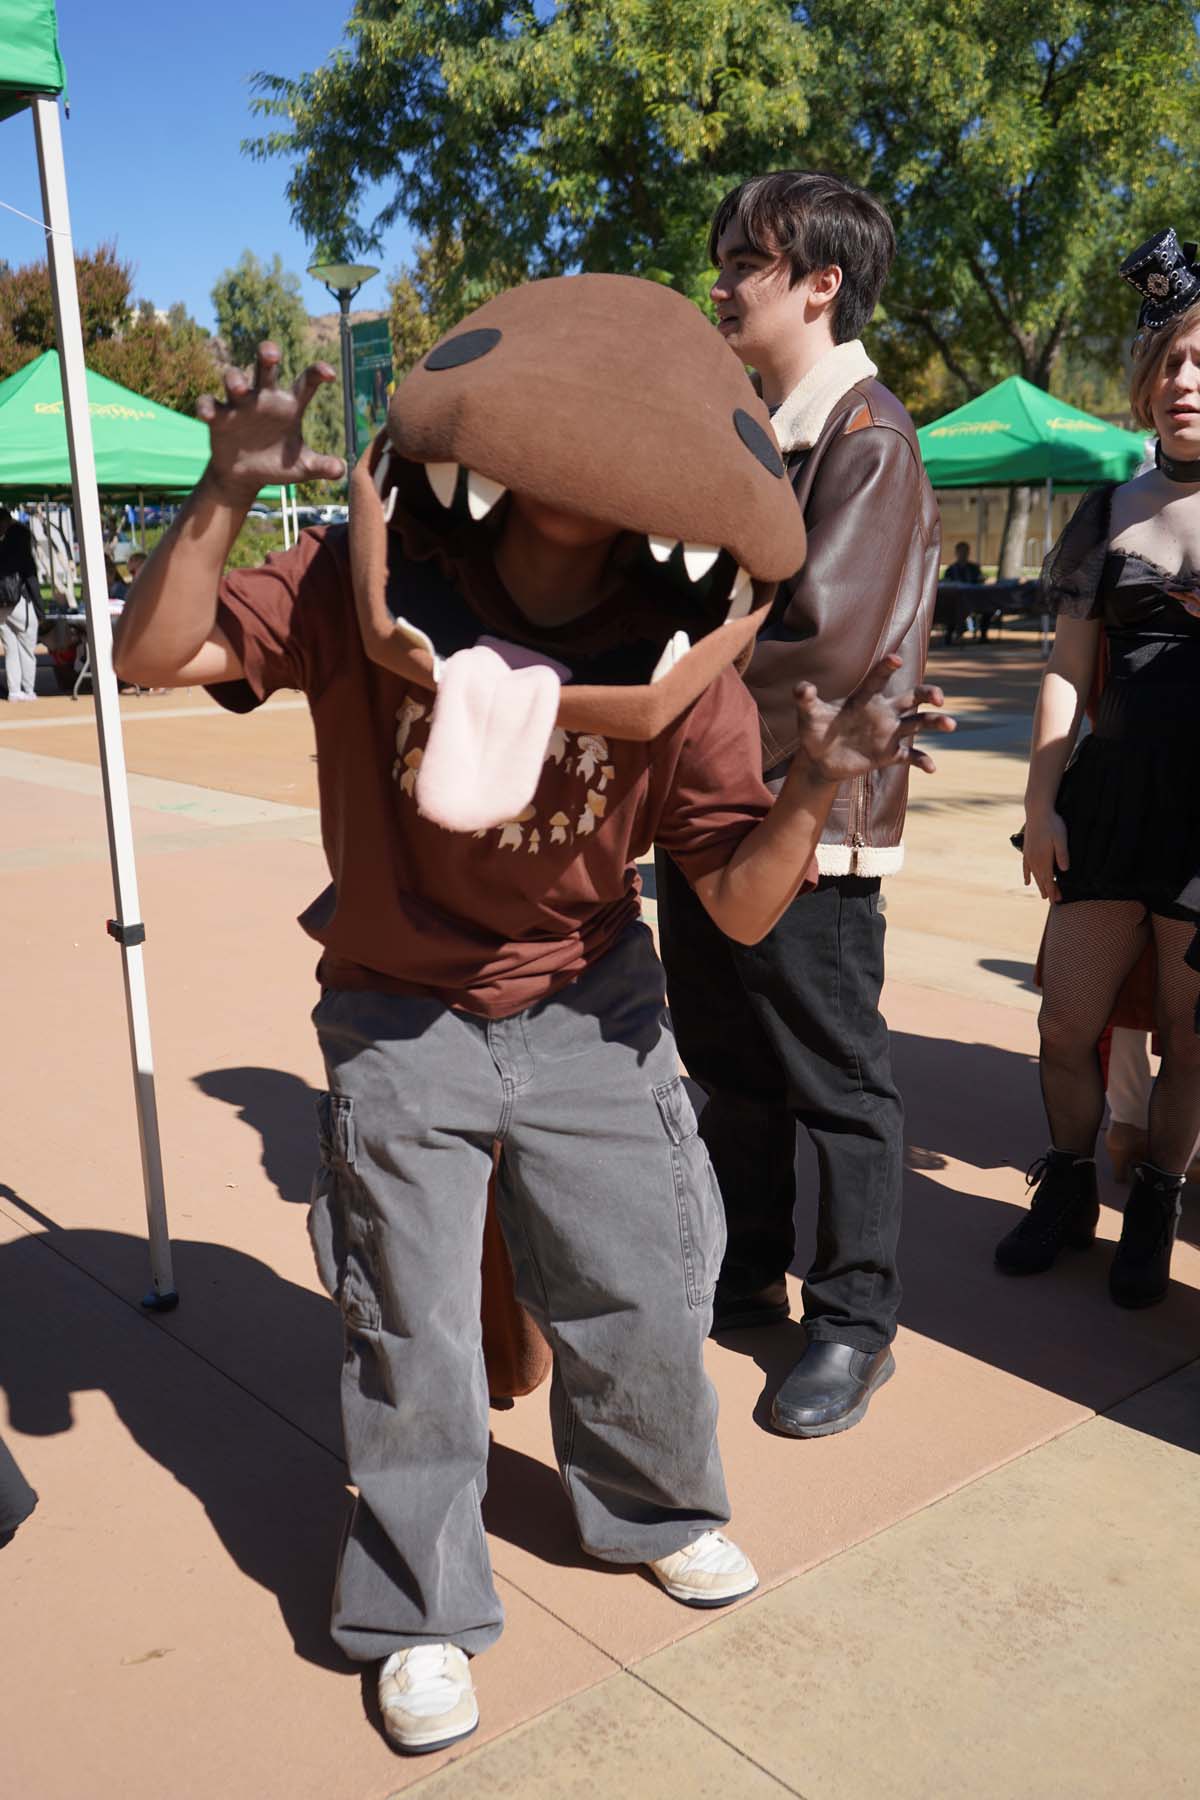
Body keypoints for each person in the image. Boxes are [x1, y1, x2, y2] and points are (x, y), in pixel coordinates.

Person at [114, 277, 950, 1755]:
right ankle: (418, 1606)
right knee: (411, 1324)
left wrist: (822, 782)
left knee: (641, 1287)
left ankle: (653, 1507)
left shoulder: (683, 655)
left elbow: (741, 907)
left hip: (588, 999)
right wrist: (221, 490)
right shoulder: (356, 571)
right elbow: (155, 656)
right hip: (397, 1004)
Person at [655, 170, 940, 1439]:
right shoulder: (774, 428)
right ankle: (747, 1269)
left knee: (836, 1078)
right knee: (730, 1062)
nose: (719, 278)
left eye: (744, 261)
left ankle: (854, 1322)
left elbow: (824, 651)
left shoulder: (866, 435)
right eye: (720, 256)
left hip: (805, 826)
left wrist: (666, 688)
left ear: (823, 281)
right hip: (720, 813)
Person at [996, 225, 1200, 1307]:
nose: (1187, 381)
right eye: (1171, 360)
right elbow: (1068, 675)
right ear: (1145, 380)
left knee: (1189, 1042)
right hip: (1111, 800)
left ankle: (1156, 1200)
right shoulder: (1106, 514)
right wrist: (1040, 808)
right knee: (1065, 1022)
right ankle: (1068, 1186)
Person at [0, 505, 43, 701]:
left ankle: (14, 690)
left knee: (10, 648)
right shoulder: (21, 547)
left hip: (1, 605)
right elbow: (31, 580)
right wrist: (40, 609)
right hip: (20, 602)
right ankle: (29, 689)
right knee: (27, 645)